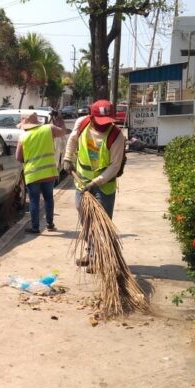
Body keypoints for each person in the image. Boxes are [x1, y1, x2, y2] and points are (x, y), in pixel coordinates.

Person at [62, 99, 125, 268]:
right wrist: (67, 158)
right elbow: (72, 140)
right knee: (86, 220)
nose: (104, 125)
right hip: (82, 182)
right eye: (100, 121)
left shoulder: (116, 136)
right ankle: (91, 253)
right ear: (91, 117)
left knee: (102, 223)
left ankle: (102, 258)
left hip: (104, 185)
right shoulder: (82, 124)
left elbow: (115, 166)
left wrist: (96, 182)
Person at [15, 111, 65, 234]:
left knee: (34, 200)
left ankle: (35, 227)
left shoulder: (23, 137)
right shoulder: (49, 129)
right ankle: (50, 224)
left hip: (33, 174)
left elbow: (18, 158)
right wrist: (60, 120)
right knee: (48, 198)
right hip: (48, 172)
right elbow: (63, 131)